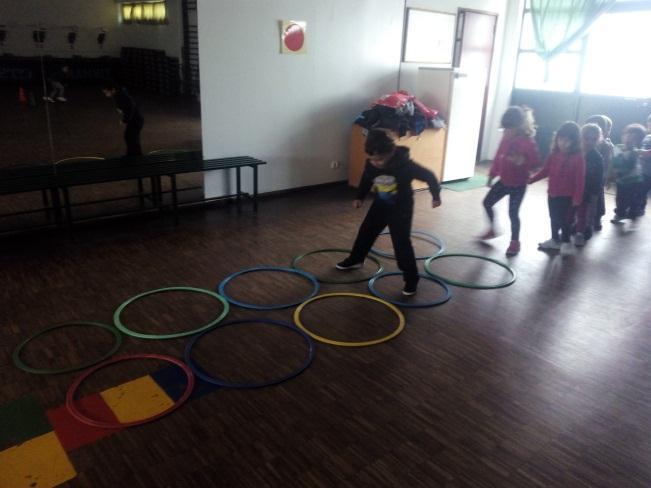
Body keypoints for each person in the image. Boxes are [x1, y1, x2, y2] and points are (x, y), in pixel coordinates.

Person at [336, 129, 441, 295]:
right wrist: (360, 197)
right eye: (373, 160)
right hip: (380, 204)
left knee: (401, 243)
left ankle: (411, 278)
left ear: (391, 151)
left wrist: (435, 195)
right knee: (365, 232)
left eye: (380, 159)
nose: (376, 163)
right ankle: (356, 259)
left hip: (401, 207)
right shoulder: (371, 163)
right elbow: (366, 178)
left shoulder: (406, 166)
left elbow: (429, 176)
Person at [479, 106, 539, 256]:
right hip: (504, 181)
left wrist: (522, 161)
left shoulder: (527, 142)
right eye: (504, 129)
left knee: (513, 213)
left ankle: (515, 242)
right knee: (487, 203)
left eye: (509, 129)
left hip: (519, 184)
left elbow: (535, 163)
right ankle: (492, 229)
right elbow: (498, 157)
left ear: (519, 127)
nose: (506, 132)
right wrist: (491, 175)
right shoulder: (505, 139)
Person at [529, 121, 585, 257]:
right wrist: (531, 179)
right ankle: (554, 239)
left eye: (568, 140)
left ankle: (566, 242)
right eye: (561, 139)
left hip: (567, 196)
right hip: (553, 194)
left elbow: (580, 180)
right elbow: (545, 170)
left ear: (575, 141)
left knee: (565, 220)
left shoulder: (578, 158)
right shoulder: (553, 154)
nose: (563, 143)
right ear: (557, 138)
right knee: (553, 217)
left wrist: (577, 198)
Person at [609, 123, 646, 223]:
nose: (629, 140)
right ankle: (620, 213)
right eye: (627, 136)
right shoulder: (617, 147)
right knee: (620, 198)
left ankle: (633, 211)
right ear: (623, 136)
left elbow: (629, 166)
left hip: (634, 181)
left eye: (634, 139)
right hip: (621, 180)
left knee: (632, 197)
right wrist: (612, 173)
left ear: (638, 142)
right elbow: (613, 160)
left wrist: (617, 172)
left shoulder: (634, 152)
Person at [574, 123, 604, 245]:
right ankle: (573, 227)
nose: (590, 142)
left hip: (588, 190)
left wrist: (595, 194)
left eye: (594, 139)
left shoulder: (597, 157)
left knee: (584, 213)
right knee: (570, 211)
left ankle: (582, 232)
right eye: (587, 138)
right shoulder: (575, 152)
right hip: (573, 188)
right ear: (581, 137)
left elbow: (598, 177)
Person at [584, 115, 614, 230]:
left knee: (597, 197)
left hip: (598, 177)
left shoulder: (605, 146)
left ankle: (597, 217)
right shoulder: (583, 144)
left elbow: (609, 162)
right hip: (585, 176)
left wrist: (608, 177)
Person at [101, 81, 145, 157]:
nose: (106, 95)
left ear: (113, 90)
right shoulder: (118, 94)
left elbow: (131, 107)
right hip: (133, 120)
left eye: (106, 92)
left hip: (136, 120)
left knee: (132, 137)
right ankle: (132, 155)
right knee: (129, 136)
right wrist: (120, 108)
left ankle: (137, 156)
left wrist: (125, 120)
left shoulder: (121, 95)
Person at [636, 114, 651, 215]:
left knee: (643, 190)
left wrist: (641, 152)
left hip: (648, 171)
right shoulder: (647, 136)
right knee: (637, 188)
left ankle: (640, 207)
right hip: (641, 169)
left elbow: (647, 152)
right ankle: (635, 206)